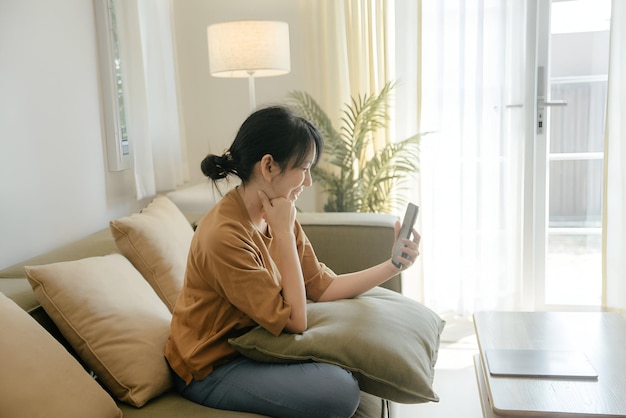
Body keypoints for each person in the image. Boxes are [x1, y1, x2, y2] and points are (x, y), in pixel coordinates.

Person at [164, 105, 420, 418]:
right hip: (211, 366)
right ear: (269, 166)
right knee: (339, 391)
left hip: (252, 343)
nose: (309, 181)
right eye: (305, 168)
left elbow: (322, 286)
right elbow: (295, 322)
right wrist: (283, 234)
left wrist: (392, 265)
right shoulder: (225, 236)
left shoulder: (277, 210)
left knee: (349, 366)